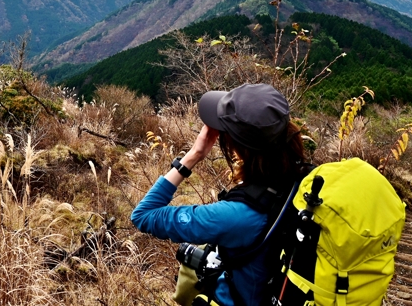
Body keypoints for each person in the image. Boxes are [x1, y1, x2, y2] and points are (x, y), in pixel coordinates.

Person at [131, 83, 307, 306]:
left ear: (237, 147)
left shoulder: (234, 216)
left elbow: (143, 215)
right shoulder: (306, 180)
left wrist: (193, 155)